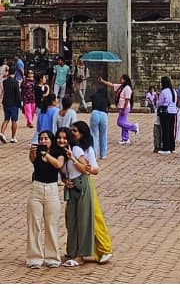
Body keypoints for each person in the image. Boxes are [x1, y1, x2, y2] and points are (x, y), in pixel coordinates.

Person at [62, 121, 112, 266]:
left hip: (85, 185)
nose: (72, 133)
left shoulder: (84, 149)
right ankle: (75, 249)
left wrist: (82, 166)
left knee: (93, 218)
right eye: (70, 130)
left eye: (75, 131)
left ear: (82, 134)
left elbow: (94, 169)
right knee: (71, 218)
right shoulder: (68, 148)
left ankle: (104, 249)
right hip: (72, 187)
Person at [26, 130, 66, 268]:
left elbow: (58, 165)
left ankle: (52, 258)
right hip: (36, 189)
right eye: (41, 139)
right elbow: (32, 160)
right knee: (34, 225)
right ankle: (34, 258)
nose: (43, 141)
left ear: (51, 140)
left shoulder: (57, 153)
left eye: (46, 139)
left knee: (51, 225)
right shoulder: (37, 152)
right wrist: (33, 152)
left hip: (52, 190)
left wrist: (46, 154)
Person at [98, 74, 139, 144]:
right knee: (124, 123)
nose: (120, 80)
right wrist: (102, 81)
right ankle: (125, 138)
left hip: (124, 108)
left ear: (125, 80)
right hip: (121, 107)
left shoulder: (127, 88)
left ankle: (134, 127)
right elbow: (111, 85)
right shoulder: (121, 86)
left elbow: (127, 100)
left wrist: (124, 109)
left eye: (122, 79)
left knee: (120, 122)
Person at [0, 64, 21, 143]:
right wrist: (20, 104)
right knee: (14, 120)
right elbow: (18, 94)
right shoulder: (15, 82)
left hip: (6, 103)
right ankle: (13, 137)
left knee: (6, 119)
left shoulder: (5, 82)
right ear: (15, 72)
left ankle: (2, 133)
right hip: (14, 103)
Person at [157, 76, 177, 154]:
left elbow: (160, 103)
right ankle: (172, 147)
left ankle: (166, 148)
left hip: (166, 112)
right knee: (171, 130)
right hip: (173, 112)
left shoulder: (164, 91)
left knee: (165, 130)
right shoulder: (174, 91)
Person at [90, 86, 110, 160]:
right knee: (103, 135)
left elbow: (91, 97)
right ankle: (103, 154)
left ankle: (94, 155)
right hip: (104, 114)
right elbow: (109, 105)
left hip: (94, 113)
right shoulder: (105, 97)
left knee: (94, 135)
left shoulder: (95, 95)